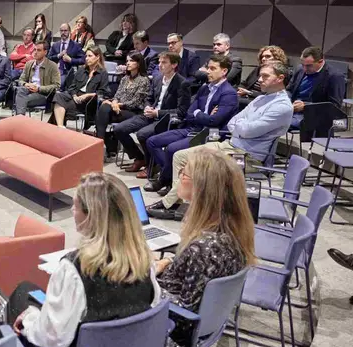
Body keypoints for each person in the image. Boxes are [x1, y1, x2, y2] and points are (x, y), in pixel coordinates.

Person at [11, 172, 160, 347]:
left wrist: (29, 320)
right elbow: (151, 311)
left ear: (91, 216)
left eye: (75, 205)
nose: (72, 211)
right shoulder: (145, 261)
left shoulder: (73, 269)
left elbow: (53, 339)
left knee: (21, 295)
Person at [148, 61, 293, 220]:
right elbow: (234, 122)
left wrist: (241, 127)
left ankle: (171, 204)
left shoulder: (282, 106)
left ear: (280, 78)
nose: (259, 80)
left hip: (247, 157)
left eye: (265, 76)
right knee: (180, 156)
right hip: (230, 145)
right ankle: (181, 203)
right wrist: (241, 127)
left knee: (196, 163)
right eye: (260, 75)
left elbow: (247, 130)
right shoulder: (261, 99)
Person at [154, 148, 255, 347]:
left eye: (185, 173)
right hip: (194, 316)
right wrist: (167, 262)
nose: (180, 175)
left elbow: (185, 311)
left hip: (170, 331)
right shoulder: (230, 231)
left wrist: (144, 280)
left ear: (202, 188)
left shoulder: (203, 248)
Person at [144, 55, 239, 196]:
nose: (208, 71)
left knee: (172, 149)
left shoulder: (229, 94)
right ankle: (169, 176)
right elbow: (188, 113)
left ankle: (166, 180)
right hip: (192, 127)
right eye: (208, 68)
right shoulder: (204, 88)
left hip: (210, 134)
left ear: (224, 71)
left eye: (213, 68)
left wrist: (198, 113)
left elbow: (214, 121)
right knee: (152, 141)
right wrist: (202, 115)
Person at [114, 51, 191, 177]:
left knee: (142, 134)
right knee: (119, 129)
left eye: (164, 62)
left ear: (174, 64)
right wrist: (147, 107)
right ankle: (140, 158)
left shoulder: (182, 83)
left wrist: (157, 113)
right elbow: (149, 98)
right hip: (150, 114)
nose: (160, 65)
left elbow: (181, 111)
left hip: (165, 119)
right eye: (159, 62)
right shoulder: (157, 78)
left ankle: (152, 166)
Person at [95, 53, 150, 149]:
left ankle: (100, 143)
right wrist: (114, 102)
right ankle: (102, 144)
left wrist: (117, 105)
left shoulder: (144, 80)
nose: (128, 63)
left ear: (139, 63)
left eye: (131, 61)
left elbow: (136, 102)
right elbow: (117, 95)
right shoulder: (124, 78)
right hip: (117, 109)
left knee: (102, 112)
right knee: (103, 109)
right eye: (127, 61)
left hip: (133, 112)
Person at [49, 46, 110, 128]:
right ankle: (60, 126)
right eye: (86, 56)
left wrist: (87, 95)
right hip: (75, 97)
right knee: (58, 95)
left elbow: (103, 93)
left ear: (98, 57)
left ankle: (57, 127)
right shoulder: (82, 70)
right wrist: (74, 96)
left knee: (61, 105)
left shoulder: (103, 73)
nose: (87, 59)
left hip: (88, 102)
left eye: (90, 56)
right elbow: (72, 87)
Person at [286, 46, 346, 130]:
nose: (304, 69)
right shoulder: (300, 69)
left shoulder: (334, 76)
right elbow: (289, 90)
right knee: (267, 118)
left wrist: (305, 106)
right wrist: (287, 101)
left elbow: (334, 107)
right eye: (303, 64)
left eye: (308, 66)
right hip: (292, 110)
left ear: (321, 61)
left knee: (279, 125)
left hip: (314, 115)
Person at [14, 42, 60, 116]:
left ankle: (19, 119)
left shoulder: (53, 66)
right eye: (34, 50)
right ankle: (20, 119)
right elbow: (20, 80)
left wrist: (38, 88)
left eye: (38, 50)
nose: (35, 52)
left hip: (42, 94)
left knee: (21, 99)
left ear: (45, 52)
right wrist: (26, 84)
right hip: (28, 90)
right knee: (21, 90)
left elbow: (56, 85)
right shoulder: (29, 64)